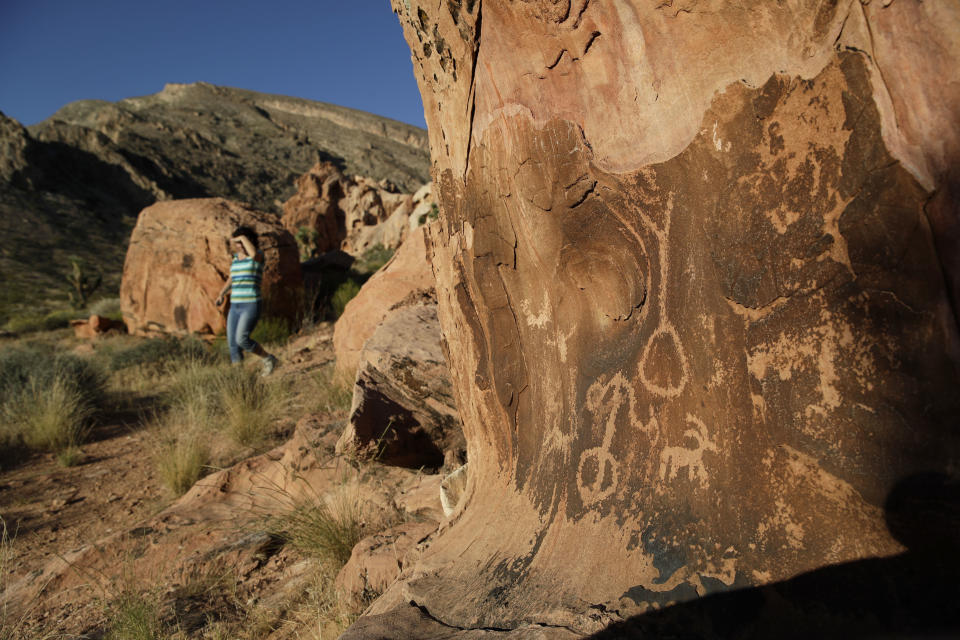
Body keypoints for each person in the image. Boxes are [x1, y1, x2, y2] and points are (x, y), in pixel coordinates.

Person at [215, 226, 279, 376]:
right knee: (232, 344)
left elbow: (253, 254)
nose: (238, 245)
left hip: (250, 304)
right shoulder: (236, 259)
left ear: (247, 241)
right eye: (236, 242)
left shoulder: (257, 256)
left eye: (240, 241)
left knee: (242, 339)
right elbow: (232, 277)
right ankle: (240, 378)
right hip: (235, 306)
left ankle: (268, 359)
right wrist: (221, 293)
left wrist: (241, 237)